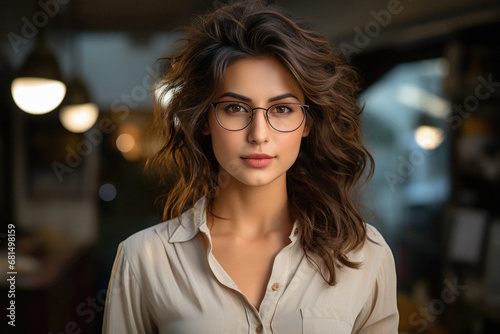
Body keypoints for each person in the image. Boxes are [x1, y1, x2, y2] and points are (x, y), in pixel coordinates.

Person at [102, 0, 399, 333]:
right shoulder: (143, 260)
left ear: (307, 122)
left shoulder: (364, 254)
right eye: (235, 108)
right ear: (204, 121)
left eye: (282, 109)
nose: (259, 134)